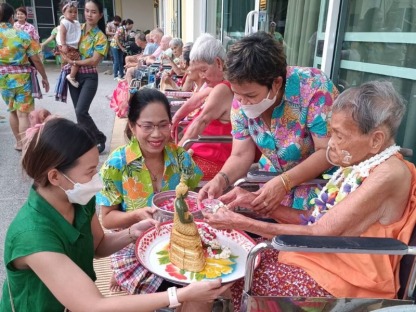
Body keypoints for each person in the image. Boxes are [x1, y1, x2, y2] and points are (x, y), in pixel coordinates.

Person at [203, 80, 416, 309]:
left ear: (376, 140)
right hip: (318, 258)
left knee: (233, 276)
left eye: (340, 136)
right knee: (230, 256)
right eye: (331, 133)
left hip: (347, 279)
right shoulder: (362, 161)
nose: (331, 145)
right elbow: (315, 218)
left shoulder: (389, 173)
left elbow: (319, 232)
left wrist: (239, 221)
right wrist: (253, 202)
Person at [0, 117, 230, 312]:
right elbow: (92, 305)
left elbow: (98, 246)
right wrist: (181, 295)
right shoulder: (33, 236)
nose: (96, 180)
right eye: (90, 172)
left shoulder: (77, 199)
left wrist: (133, 232)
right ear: (55, 177)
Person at [198, 31, 338, 220]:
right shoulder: (240, 98)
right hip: (271, 180)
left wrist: (284, 182)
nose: (242, 102)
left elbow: (327, 151)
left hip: (319, 184)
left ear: (276, 83)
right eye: (237, 94)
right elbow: (240, 154)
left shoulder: (314, 87)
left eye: (250, 96)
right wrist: (220, 180)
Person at [96, 88, 203, 294]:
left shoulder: (181, 158)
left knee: (200, 290)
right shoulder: (116, 164)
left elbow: (192, 200)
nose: (157, 134)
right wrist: (136, 215)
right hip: (133, 242)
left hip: (178, 240)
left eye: (163, 125)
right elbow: (108, 219)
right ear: (132, 126)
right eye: (147, 126)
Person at [173, 33, 234, 180]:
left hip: (213, 161)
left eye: (204, 70)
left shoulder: (223, 89)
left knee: (165, 177)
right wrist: (175, 118)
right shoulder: (218, 85)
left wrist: (174, 158)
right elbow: (196, 99)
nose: (201, 76)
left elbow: (201, 121)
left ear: (219, 63)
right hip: (200, 152)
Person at [58, 0, 108, 154]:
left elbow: (94, 60)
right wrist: (62, 50)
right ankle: (87, 143)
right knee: (78, 112)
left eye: (93, 12)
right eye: (87, 11)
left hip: (89, 77)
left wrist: (74, 61)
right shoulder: (75, 27)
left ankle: (99, 138)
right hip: (73, 76)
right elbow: (61, 41)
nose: (89, 15)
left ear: (100, 15)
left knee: (81, 110)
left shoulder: (100, 37)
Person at [0, 3, 49, 151]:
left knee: (12, 111)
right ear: (11, 18)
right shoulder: (22, 35)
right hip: (22, 77)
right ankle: (26, 144)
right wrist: (44, 77)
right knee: (23, 114)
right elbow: (36, 59)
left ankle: (19, 143)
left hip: (3, 78)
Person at [56, 0, 82, 88]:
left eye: (75, 12)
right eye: (70, 12)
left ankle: (67, 74)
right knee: (76, 62)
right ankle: (71, 76)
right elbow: (62, 34)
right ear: (63, 12)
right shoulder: (64, 22)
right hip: (67, 46)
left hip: (73, 47)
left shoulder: (76, 23)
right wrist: (63, 45)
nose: (73, 14)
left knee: (71, 62)